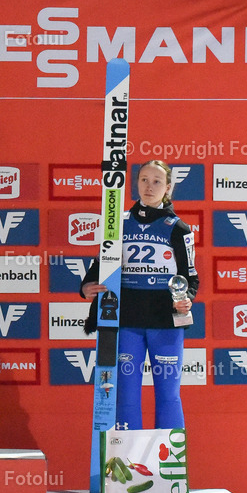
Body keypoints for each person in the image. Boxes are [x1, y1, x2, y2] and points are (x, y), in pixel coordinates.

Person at [80, 159, 198, 430]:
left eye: (157, 181)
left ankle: (170, 466)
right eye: (144, 179)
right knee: (126, 397)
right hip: (127, 318)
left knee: (168, 396)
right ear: (136, 184)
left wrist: (187, 297)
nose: (149, 186)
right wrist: (87, 286)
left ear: (168, 188)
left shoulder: (179, 229)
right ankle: (126, 466)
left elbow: (190, 277)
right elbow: (101, 264)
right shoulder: (118, 224)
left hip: (165, 321)